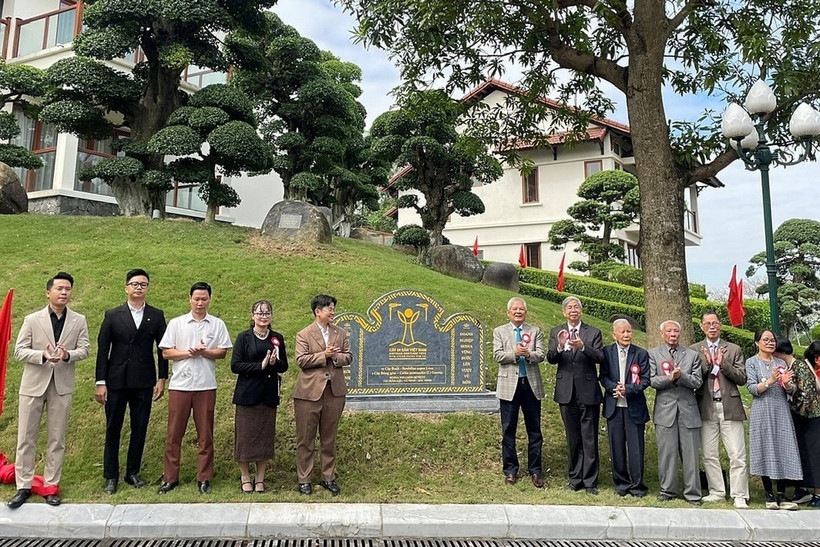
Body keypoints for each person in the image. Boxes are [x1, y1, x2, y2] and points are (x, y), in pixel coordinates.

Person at [9, 272, 90, 509]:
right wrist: (42, 355)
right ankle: (23, 485)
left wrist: (68, 355)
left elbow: (85, 349)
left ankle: (51, 485)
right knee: (26, 437)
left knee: (57, 437)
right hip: (33, 385)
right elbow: (19, 350)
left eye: (68, 289)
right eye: (59, 288)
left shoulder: (78, 320)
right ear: (48, 292)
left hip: (62, 385)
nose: (64, 292)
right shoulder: (32, 319)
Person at [95, 268, 168, 495]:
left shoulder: (156, 315)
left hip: (143, 381)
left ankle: (132, 472)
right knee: (113, 428)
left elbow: (163, 349)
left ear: (147, 288)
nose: (139, 287)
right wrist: (100, 381)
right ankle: (111, 476)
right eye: (135, 284)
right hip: (116, 380)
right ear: (126, 287)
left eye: (143, 284)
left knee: (140, 427)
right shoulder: (112, 315)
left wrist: (162, 378)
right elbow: (103, 349)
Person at [157, 281, 232, 494]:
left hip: (206, 385)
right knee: (174, 434)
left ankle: (204, 477)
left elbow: (222, 352)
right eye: (196, 299)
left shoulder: (217, 324)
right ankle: (170, 477)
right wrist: (189, 352)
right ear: (190, 299)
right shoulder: (177, 323)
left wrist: (205, 352)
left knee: (205, 435)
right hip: (180, 385)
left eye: (204, 299)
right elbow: (166, 352)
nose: (200, 303)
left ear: (210, 300)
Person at [293, 294, 352, 496]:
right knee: (306, 439)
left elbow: (348, 356)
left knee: (329, 438)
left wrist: (335, 357)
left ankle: (328, 477)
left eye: (333, 308)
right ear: (317, 311)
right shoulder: (304, 334)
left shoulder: (340, 333)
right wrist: (323, 355)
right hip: (309, 393)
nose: (332, 312)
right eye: (329, 309)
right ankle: (304, 479)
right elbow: (301, 360)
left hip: (334, 392)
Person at [689, 312, 749, 508]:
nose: (712, 327)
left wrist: (723, 363)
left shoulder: (733, 349)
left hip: (729, 404)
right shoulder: (694, 350)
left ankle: (739, 494)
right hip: (706, 405)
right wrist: (707, 363)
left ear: (720, 325)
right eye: (707, 324)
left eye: (715, 323)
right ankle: (717, 491)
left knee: (737, 453)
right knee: (709, 453)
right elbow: (693, 379)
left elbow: (742, 378)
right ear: (701, 326)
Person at [547, 296, 604, 495]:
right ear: (564, 312)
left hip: (588, 391)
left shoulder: (593, 332)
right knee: (573, 437)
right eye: (569, 308)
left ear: (581, 311)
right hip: (566, 392)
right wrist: (559, 346)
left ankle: (590, 481)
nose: (573, 310)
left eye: (576, 307)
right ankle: (575, 478)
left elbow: (600, 357)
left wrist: (583, 347)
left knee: (589, 438)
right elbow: (551, 359)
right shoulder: (556, 331)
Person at [230, 300, 289, 494]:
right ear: (252, 315)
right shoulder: (244, 337)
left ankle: (260, 479)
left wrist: (273, 363)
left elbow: (284, 366)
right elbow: (235, 365)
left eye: (267, 313)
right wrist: (259, 366)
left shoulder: (276, 338)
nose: (263, 316)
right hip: (248, 395)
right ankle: (245, 477)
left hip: (268, 395)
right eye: (259, 313)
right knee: (245, 437)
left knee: (265, 437)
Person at [492, 297, 546, 488]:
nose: (518, 312)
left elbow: (541, 354)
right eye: (514, 309)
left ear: (525, 312)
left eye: (521, 309)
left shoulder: (534, 331)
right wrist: (514, 354)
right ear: (508, 313)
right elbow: (497, 355)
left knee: (535, 430)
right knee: (508, 430)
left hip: (531, 385)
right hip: (509, 387)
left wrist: (528, 354)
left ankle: (535, 470)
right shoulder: (499, 331)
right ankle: (510, 470)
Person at [649, 320, 704, 505]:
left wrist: (682, 377)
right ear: (662, 334)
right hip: (665, 410)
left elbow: (697, 381)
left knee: (691, 455)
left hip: (688, 410)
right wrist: (669, 378)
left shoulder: (692, 355)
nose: (673, 334)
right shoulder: (653, 354)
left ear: (680, 334)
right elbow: (651, 380)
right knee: (667, 453)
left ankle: (693, 493)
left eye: (676, 331)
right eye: (669, 331)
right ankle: (668, 490)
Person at [746, 328, 801, 510]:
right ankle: (769, 495)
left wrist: (787, 384)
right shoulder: (752, 362)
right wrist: (770, 381)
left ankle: (782, 495)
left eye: (772, 340)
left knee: (783, 447)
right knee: (765, 448)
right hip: (762, 410)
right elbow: (752, 388)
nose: (770, 343)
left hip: (781, 409)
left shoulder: (781, 362)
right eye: (766, 340)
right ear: (757, 342)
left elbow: (791, 389)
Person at [599, 318, 650, 498]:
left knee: (636, 448)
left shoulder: (641, 353)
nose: (627, 335)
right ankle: (621, 483)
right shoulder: (607, 352)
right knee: (617, 447)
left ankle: (637, 485)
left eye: (629, 331)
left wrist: (627, 389)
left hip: (634, 407)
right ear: (614, 334)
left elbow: (645, 380)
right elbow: (603, 377)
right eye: (623, 332)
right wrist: (614, 387)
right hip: (614, 407)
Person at [776, 338, 820, 507]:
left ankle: (818, 494)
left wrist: (791, 408)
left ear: (781, 352)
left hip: (810, 417)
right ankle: (801, 490)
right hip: (802, 418)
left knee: (814, 455)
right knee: (802, 454)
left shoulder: (799, 367)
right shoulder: (791, 367)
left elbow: (806, 395)